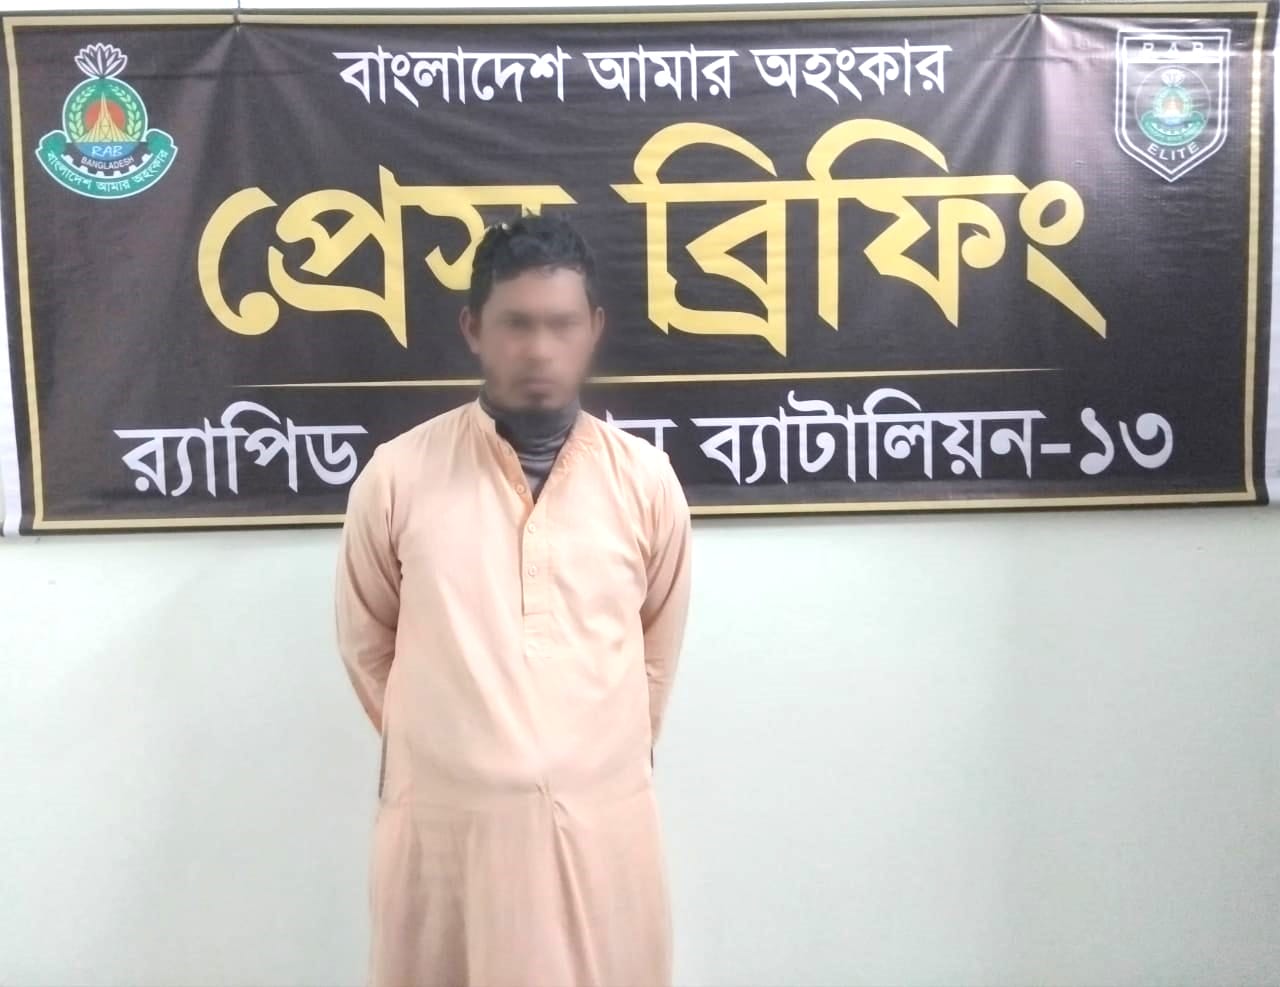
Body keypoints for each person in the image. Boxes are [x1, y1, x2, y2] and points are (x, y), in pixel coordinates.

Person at [335, 214, 693, 987]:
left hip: (603, 837)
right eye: (517, 324)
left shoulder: (644, 481)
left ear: (593, 329)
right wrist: (466, 751)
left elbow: (654, 658)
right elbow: (370, 649)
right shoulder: (398, 476)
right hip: (447, 844)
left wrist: (578, 762)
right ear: (474, 329)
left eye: (561, 324)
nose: (539, 349)